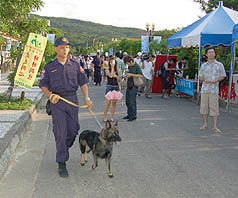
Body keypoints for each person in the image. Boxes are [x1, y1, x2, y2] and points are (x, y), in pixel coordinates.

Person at [39, 37, 93, 177]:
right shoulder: (50, 66)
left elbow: (83, 83)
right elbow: (43, 85)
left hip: (72, 100)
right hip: (57, 101)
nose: (65, 50)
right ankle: (61, 162)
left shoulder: (75, 65)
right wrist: (50, 95)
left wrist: (86, 98)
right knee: (61, 131)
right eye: (62, 47)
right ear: (56, 49)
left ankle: (64, 147)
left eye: (67, 47)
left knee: (73, 129)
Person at [198, 47, 226, 133]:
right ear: (206, 55)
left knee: (214, 108)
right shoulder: (203, 65)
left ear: (215, 54)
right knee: (204, 107)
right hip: (205, 90)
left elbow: (223, 76)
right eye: (209, 52)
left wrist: (217, 80)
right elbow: (200, 76)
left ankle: (215, 126)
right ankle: (205, 124)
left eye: (212, 52)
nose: (211, 54)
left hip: (214, 89)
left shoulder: (219, 65)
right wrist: (204, 80)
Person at [123, 55, 143, 121]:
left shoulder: (136, 66)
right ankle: (129, 114)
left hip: (134, 86)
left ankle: (133, 115)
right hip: (129, 85)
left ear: (131, 61)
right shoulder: (130, 66)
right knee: (127, 101)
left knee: (132, 101)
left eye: (127, 63)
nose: (127, 64)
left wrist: (131, 75)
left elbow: (141, 75)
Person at [103, 57, 121, 122]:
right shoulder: (107, 70)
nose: (112, 63)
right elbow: (110, 76)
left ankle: (111, 117)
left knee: (114, 103)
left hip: (116, 87)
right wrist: (112, 67)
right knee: (108, 103)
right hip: (109, 86)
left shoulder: (117, 70)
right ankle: (105, 117)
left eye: (113, 62)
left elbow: (119, 80)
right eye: (111, 62)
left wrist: (117, 76)